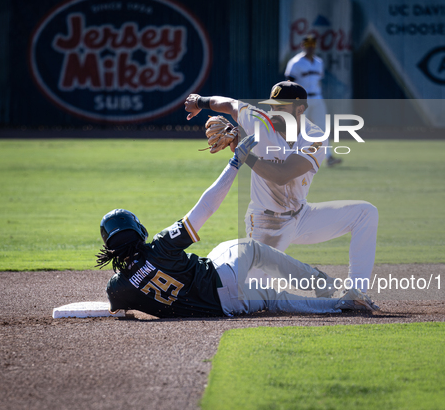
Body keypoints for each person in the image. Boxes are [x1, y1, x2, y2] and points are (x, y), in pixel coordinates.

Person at [96, 135, 379, 318]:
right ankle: (329, 288)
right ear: (139, 230)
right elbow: (206, 207)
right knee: (251, 249)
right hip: (223, 279)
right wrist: (235, 161)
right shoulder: (162, 246)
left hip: (226, 309)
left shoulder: (117, 288)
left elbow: (120, 309)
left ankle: (340, 305)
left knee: (272, 298)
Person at [184, 81, 379, 301]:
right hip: (266, 223)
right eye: (273, 105)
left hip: (301, 216)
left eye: (282, 107)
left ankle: (356, 292)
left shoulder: (314, 137)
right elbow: (229, 105)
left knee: (366, 212)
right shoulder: (258, 119)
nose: (275, 112)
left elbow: (283, 175)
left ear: (300, 109)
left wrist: (244, 154)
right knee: (251, 297)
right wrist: (199, 102)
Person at [285, 34, 342, 167]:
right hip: (301, 100)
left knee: (322, 128)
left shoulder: (318, 62)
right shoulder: (295, 62)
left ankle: (329, 157)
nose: (310, 48)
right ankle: (289, 155)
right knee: (298, 128)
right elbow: (289, 82)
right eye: (308, 45)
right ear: (302, 46)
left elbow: (318, 82)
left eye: (312, 46)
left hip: (317, 97)